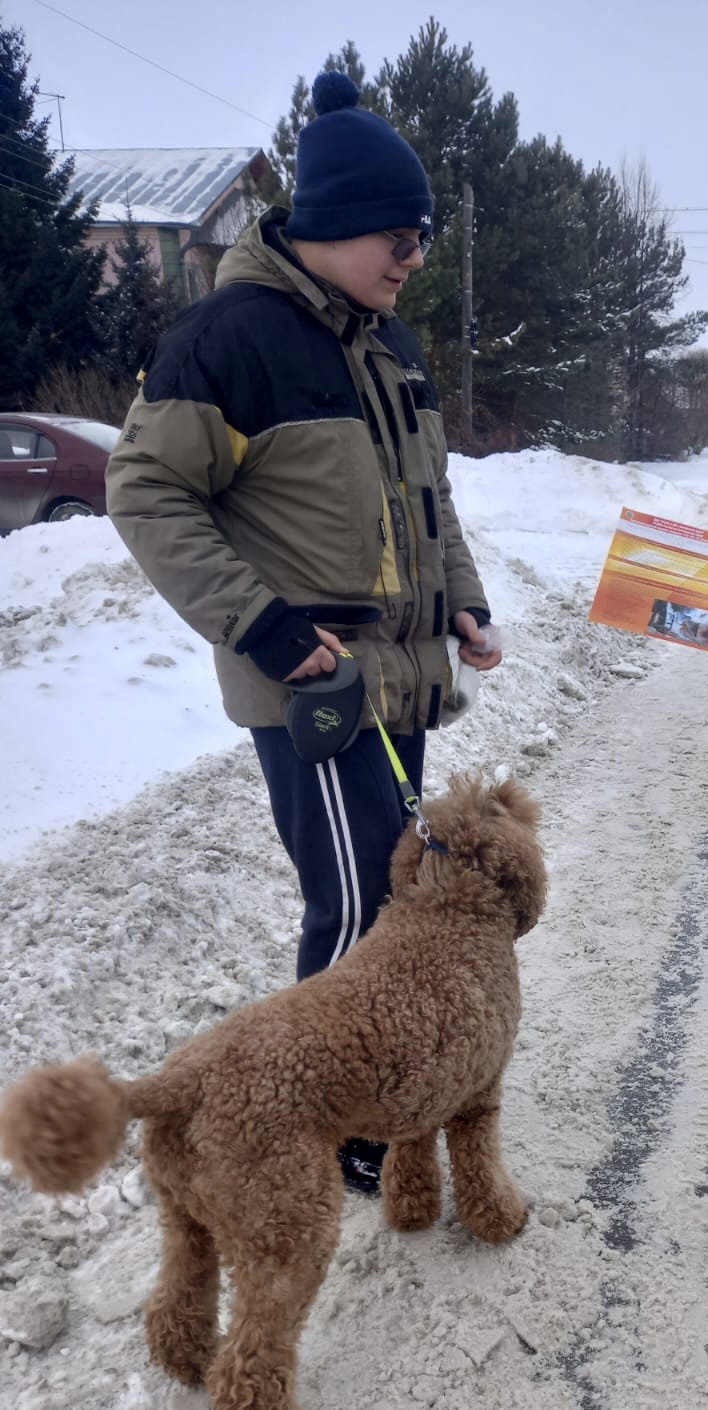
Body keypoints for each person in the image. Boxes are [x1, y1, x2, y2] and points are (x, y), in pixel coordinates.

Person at [106, 70, 501, 1195]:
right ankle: (317, 1128)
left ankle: (368, 1104)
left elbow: (434, 505)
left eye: (420, 237)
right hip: (316, 692)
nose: (413, 255)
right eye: (395, 234)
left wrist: (462, 601)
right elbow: (144, 491)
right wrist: (261, 627)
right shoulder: (228, 338)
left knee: (404, 904)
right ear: (325, 227)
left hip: (406, 681)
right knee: (355, 907)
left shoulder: (394, 347)